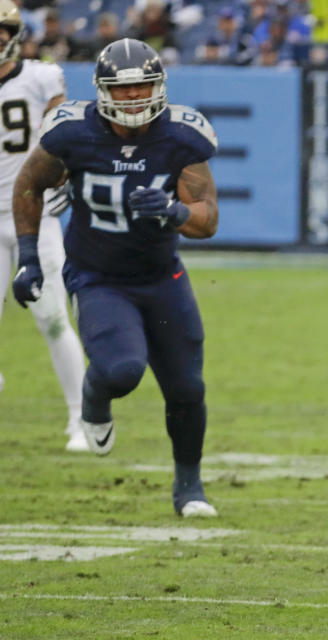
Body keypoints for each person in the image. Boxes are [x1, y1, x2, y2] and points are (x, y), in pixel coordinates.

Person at [11, 38, 220, 518]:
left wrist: (172, 210)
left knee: (187, 387)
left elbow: (207, 220)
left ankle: (189, 486)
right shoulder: (71, 133)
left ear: (160, 85)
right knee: (122, 369)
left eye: (143, 87)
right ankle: (93, 396)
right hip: (98, 275)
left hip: (161, 275)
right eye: (122, 91)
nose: (133, 98)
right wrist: (28, 255)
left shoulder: (181, 137)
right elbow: (29, 183)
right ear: (102, 92)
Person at [0, 0, 88, 452]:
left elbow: (64, 132)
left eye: (1, 29)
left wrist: (63, 172)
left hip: (35, 213)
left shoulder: (41, 77)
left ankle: (82, 419)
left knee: (53, 319)